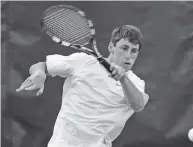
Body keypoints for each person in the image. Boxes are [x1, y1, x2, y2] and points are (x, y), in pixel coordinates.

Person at [16, 25, 150, 147]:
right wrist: (39, 73)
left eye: (134, 51)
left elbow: (138, 104)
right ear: (111, 47)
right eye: (124, 48)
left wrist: (123, 78)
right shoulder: (82, 61)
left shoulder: (135, 83)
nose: (128, 55)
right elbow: (42, 66)